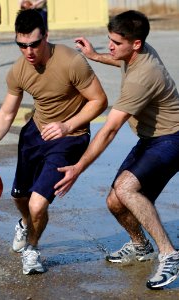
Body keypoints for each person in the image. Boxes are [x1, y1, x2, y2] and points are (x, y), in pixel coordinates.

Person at [0, 9, 107, 275]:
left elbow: (99, 100)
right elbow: (6, 113)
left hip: (70, 138)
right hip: (35, 133)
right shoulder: (19, 70)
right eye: (21, 45)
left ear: (46, 36)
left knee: (38, 203)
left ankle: (32, 249)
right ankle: (26, 224)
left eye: (34, 44)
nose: (28, 51)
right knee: (21, 197)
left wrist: (66, 125)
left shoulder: (72, 62)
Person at [54, 10, 179, 289]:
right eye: (109, 39)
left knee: (125, 189)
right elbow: (118, 60)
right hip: (151, 139)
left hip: (172, 139)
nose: (111, 46)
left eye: (116, 42)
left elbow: (109, 130)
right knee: (114, 201)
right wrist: (96, 55)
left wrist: (78, 168)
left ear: (135, 44)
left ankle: (169, 254)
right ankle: (140, 245)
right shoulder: (138, 50)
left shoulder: (143, 76)